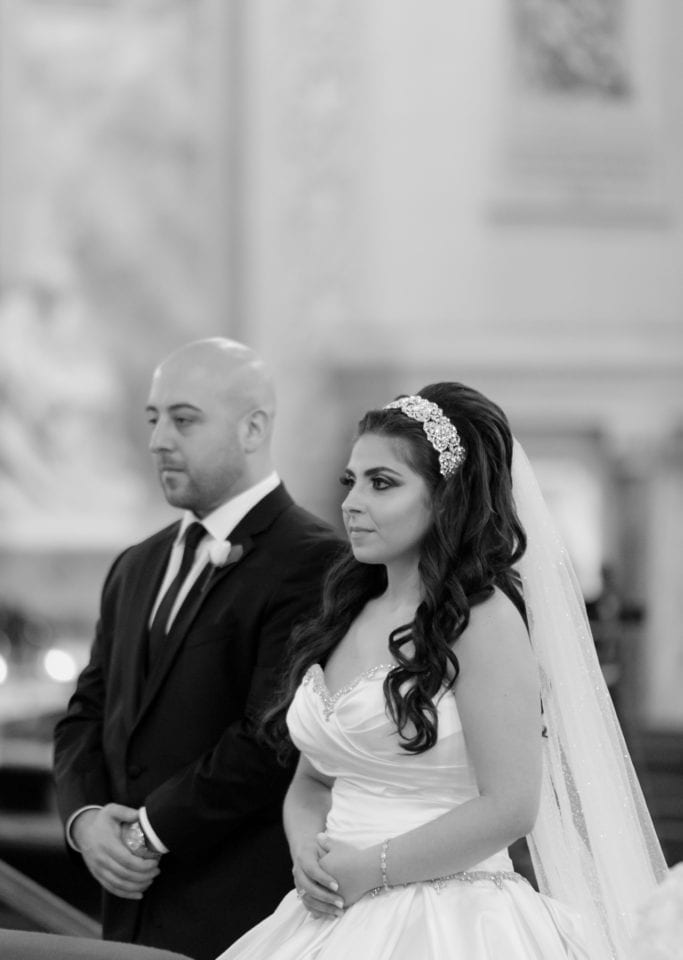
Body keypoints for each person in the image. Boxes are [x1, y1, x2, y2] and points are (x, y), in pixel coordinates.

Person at [215, 382, 666, 960]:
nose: (353, 502)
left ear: (446, 498)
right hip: (327, 910)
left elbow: (510, 806)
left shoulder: (482, 620)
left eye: (383, 483)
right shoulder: (348, 609)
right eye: (350, 481)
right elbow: (313, 781)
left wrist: (370, 869)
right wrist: (309, 856)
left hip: (452, 918)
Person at [52, 337, 342, 960]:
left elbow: (271, 735)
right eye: (153, 418)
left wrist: (148, 834)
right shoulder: (137, 564)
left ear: (253, 428)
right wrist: (87, 821)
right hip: (126, 908)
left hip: (238, 910)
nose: (158, 440)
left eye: (183, 419)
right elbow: (86, 710)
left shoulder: (316, 560)